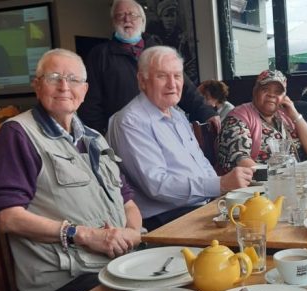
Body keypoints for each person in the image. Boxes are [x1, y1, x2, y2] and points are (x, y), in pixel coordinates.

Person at [0, 49, 142, 291]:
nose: (65, 87)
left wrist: (133, 234)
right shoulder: (17, 134)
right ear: (37, 85)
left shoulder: (94, 137)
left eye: (74, 80)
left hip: (115, 266)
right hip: (64, 282)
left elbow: (128, 203)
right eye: (54, 77)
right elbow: (8, 218)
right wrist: (85, 235)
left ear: (84, 91)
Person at [106, 46, 252, 231]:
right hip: (166, 220)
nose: (172, 84)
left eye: (177, 76)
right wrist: (220, 184)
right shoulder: (129, 121)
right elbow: (157, 186)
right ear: (142, 81)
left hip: (201, 207)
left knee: (260, 222)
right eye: (162, 76)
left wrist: (224, 190)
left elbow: (201, 165)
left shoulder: (177, 115)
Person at [78, 0, 219, 135]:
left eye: (132, 15)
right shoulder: (99, 55)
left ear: (143, 21)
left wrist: (206, 113)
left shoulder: (159, 50)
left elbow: (184, 87)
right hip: (124, 133)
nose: (127, 19)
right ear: (113, 22)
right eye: (120, 15)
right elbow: (91, 104)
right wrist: (101, 139)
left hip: (163, 129)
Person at [218, 70, 307, 173]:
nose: (271, 95)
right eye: (265, 89)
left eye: (278, 91)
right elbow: (238, 159)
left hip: (297, 177)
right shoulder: (239, 117)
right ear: (255, 91)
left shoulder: (286, 115)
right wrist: (278, 177)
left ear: (284, 96)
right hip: (262, 184)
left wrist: (295, 115)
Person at [146, 0, 198, 83]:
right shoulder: (153, 37)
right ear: (161, 18)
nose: (169, 19)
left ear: (176, 17)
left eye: (172, 16)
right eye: (166, 16)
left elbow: (187, 59)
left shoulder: (181, 36)